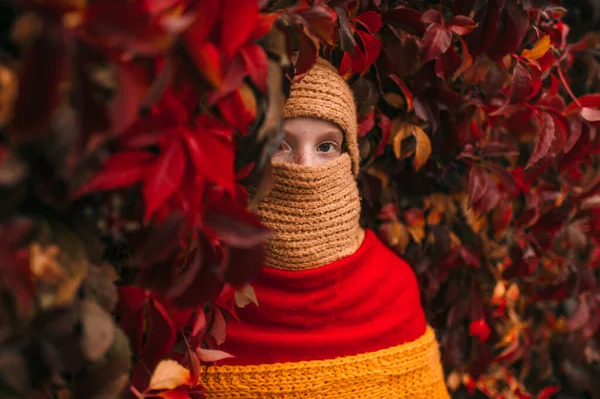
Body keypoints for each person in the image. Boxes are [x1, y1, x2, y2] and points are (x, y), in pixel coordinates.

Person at [199, 58, 450, 398]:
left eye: (325, 146)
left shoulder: (392, 287)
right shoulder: (201, 293)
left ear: (349, 156)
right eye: (280, 145)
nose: (305, 167)